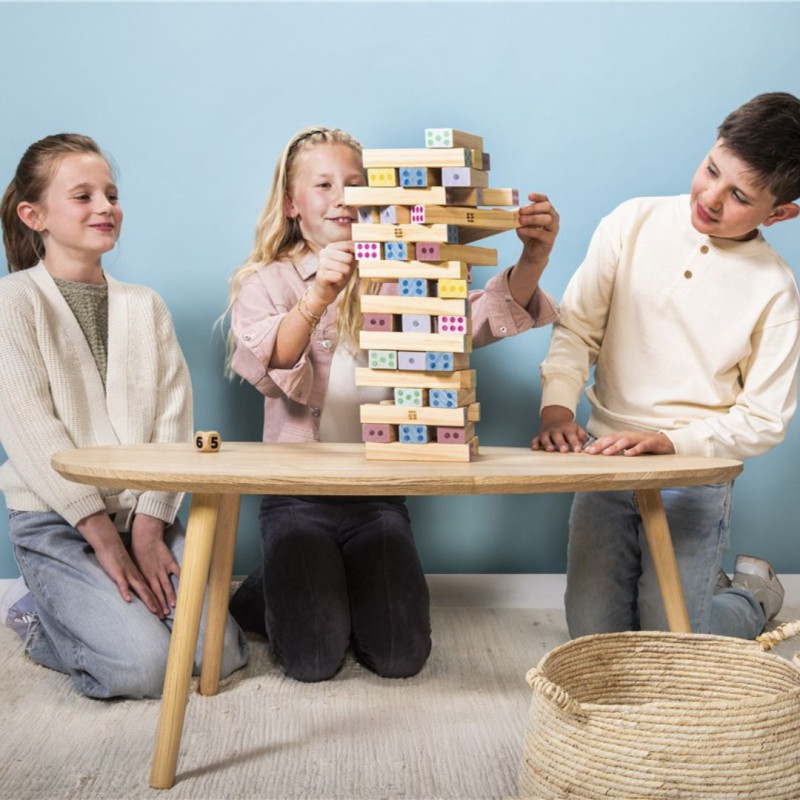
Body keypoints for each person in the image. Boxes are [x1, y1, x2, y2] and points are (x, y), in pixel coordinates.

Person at [226, 126, 560, 682]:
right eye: (323, 184)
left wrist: (533, 260)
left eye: (354, 184)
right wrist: (317, 296)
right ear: (291, 204)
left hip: (377, 498)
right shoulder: (268, 281)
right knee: (312, 661)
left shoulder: (402, 269)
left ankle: (330, 579)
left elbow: (473, 319)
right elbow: (272, 365)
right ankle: (265, 588)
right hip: (297, 497)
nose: (340, 197)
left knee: (401, 656)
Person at [531, 92, 800, 640]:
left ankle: (750, 596)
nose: (712, 197)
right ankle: (704, 586)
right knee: (593, 638)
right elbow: (578, 327)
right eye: (711, 170)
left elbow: (765, 418)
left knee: (675, 639)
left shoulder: (776, 291)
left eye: (740, 196)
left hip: (693, 479)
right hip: (605, 460)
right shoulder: (632, 222)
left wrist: (670, 442)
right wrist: (557, 408)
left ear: (780, 213)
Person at [0, 133, 248, 698]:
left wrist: (149, 525)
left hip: (143, 512)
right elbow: (29, 427)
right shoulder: (12, 301)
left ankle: (106, 604)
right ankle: (36, 614)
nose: (106, 207)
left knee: (221, 653)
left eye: (110, 194)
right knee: (145, 668)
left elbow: (173, 417)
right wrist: (102, 536)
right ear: (33, 215)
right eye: (82, 196)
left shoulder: (145, 304)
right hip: (60, 520)